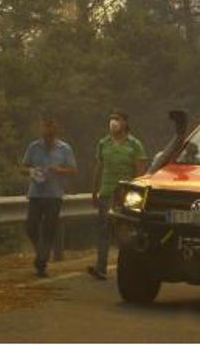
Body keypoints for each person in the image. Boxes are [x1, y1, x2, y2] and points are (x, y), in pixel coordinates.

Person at [87, 109, 147, 280]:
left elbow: (141, 171)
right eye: (111, 119)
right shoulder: (103, 143)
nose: (113, 122)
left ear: (125, 123)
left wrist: (137, 194)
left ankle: (129, 268)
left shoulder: (135, 144)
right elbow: (99, 167)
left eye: (117, 119)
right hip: (106, 192)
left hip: (124, 196)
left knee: (125, 233)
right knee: (103, 230)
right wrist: (94, 190)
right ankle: (101, 267)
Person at [19, 113, 78, 278]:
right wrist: (32, 171)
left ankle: (42, 262)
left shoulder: (64, 148)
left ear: (56, 128)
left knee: (48, 228)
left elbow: (74, 170)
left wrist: (60, 170)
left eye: (50, 126)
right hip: (36, 193)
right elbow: (23, 167)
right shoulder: (34, 147)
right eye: (44, 126)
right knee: (31, 226)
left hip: (54, 194)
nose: (47, 129)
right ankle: (41, 253)